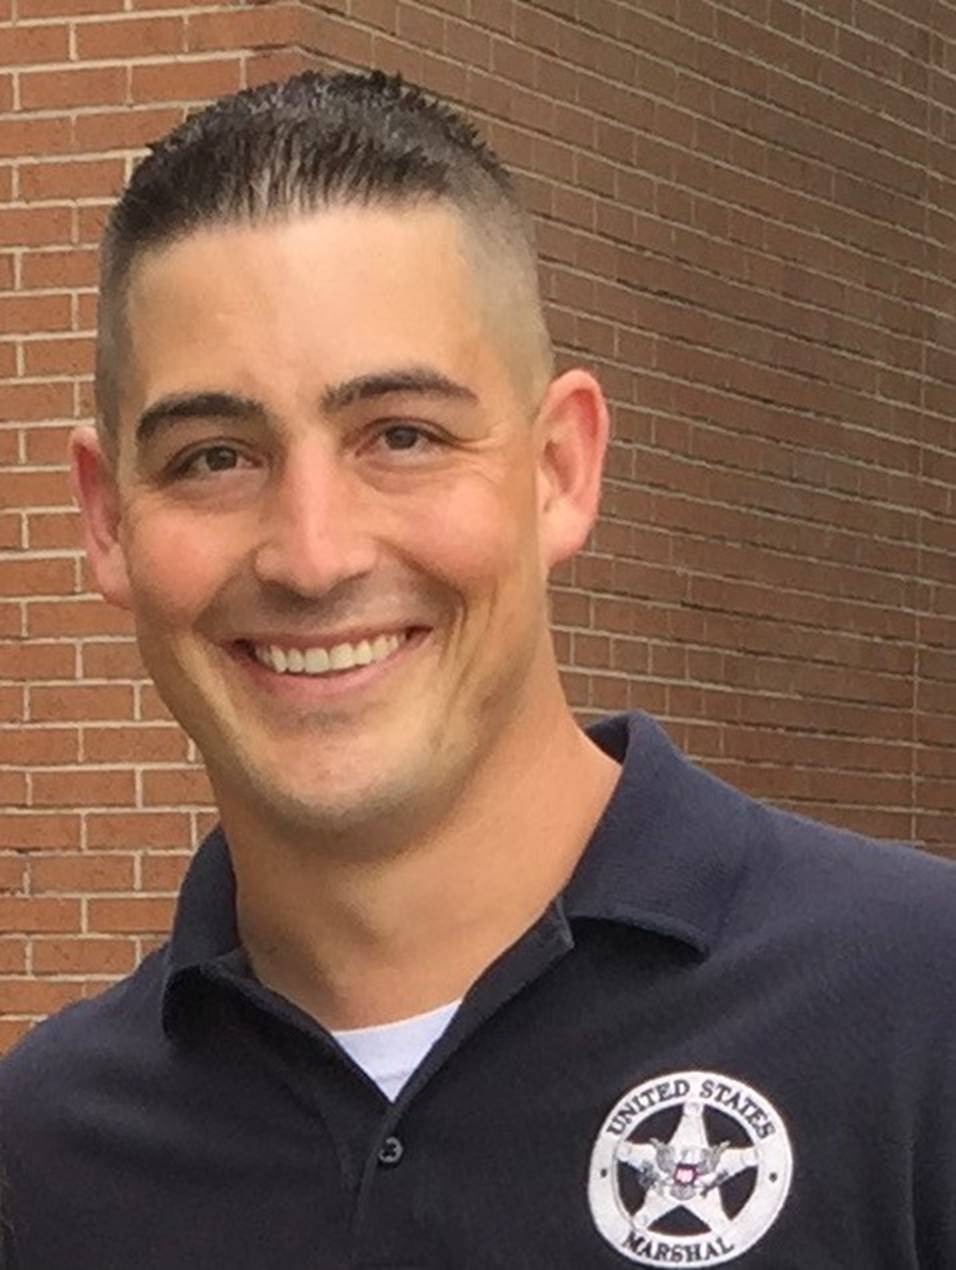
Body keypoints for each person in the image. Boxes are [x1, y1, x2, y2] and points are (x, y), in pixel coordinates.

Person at [1, 69, 954, 1270]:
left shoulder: (918, 1014)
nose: (313, 554)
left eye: (401, 435)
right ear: (105, 519)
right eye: (213, 456)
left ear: (559, 469)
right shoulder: (45, 1155)